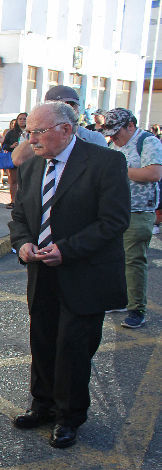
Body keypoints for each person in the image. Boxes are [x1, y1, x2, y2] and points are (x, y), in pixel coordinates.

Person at [9, 102, 130, 449]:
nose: (31, 139)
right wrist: (23, 244)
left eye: (37, 132)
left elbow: (114, 221)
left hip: (84, 273)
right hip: (41, 271)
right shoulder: (33, 165)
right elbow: (20, 215)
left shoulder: (105, 162)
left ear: (65, 129)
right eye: (28, 132)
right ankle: (42, 405)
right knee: (42, 340)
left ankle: (69, 416)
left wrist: (67, 249)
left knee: (74, 348)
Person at [102, 108, 162, 329]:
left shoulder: (148, 142)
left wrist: (120, 170)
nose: (114, 138)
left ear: (131, 126)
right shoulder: (112, 145)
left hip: (138, 211)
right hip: (113, 211)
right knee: (113, 258)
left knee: (133, 260)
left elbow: (154, 173)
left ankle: (137, 309)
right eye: (110, 133)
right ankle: (119, 299)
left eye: (117, 132)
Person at [12, 85, 106, 166]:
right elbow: (18, 160)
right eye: (60, 107)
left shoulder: (93, 138)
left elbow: (102, 168)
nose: (68, 111)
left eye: (71, 106)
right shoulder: (31, 135)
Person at [1, 112, 28, 208]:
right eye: (20, 119)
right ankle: (13, 201)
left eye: (24, 119)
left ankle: (25, 202)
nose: (22, 120)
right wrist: (11, 146)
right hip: (14, 158)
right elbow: (4, 145)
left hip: (28, 160)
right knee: (13, 181)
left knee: (26, 182)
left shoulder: (32, 132)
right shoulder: (11, 133)